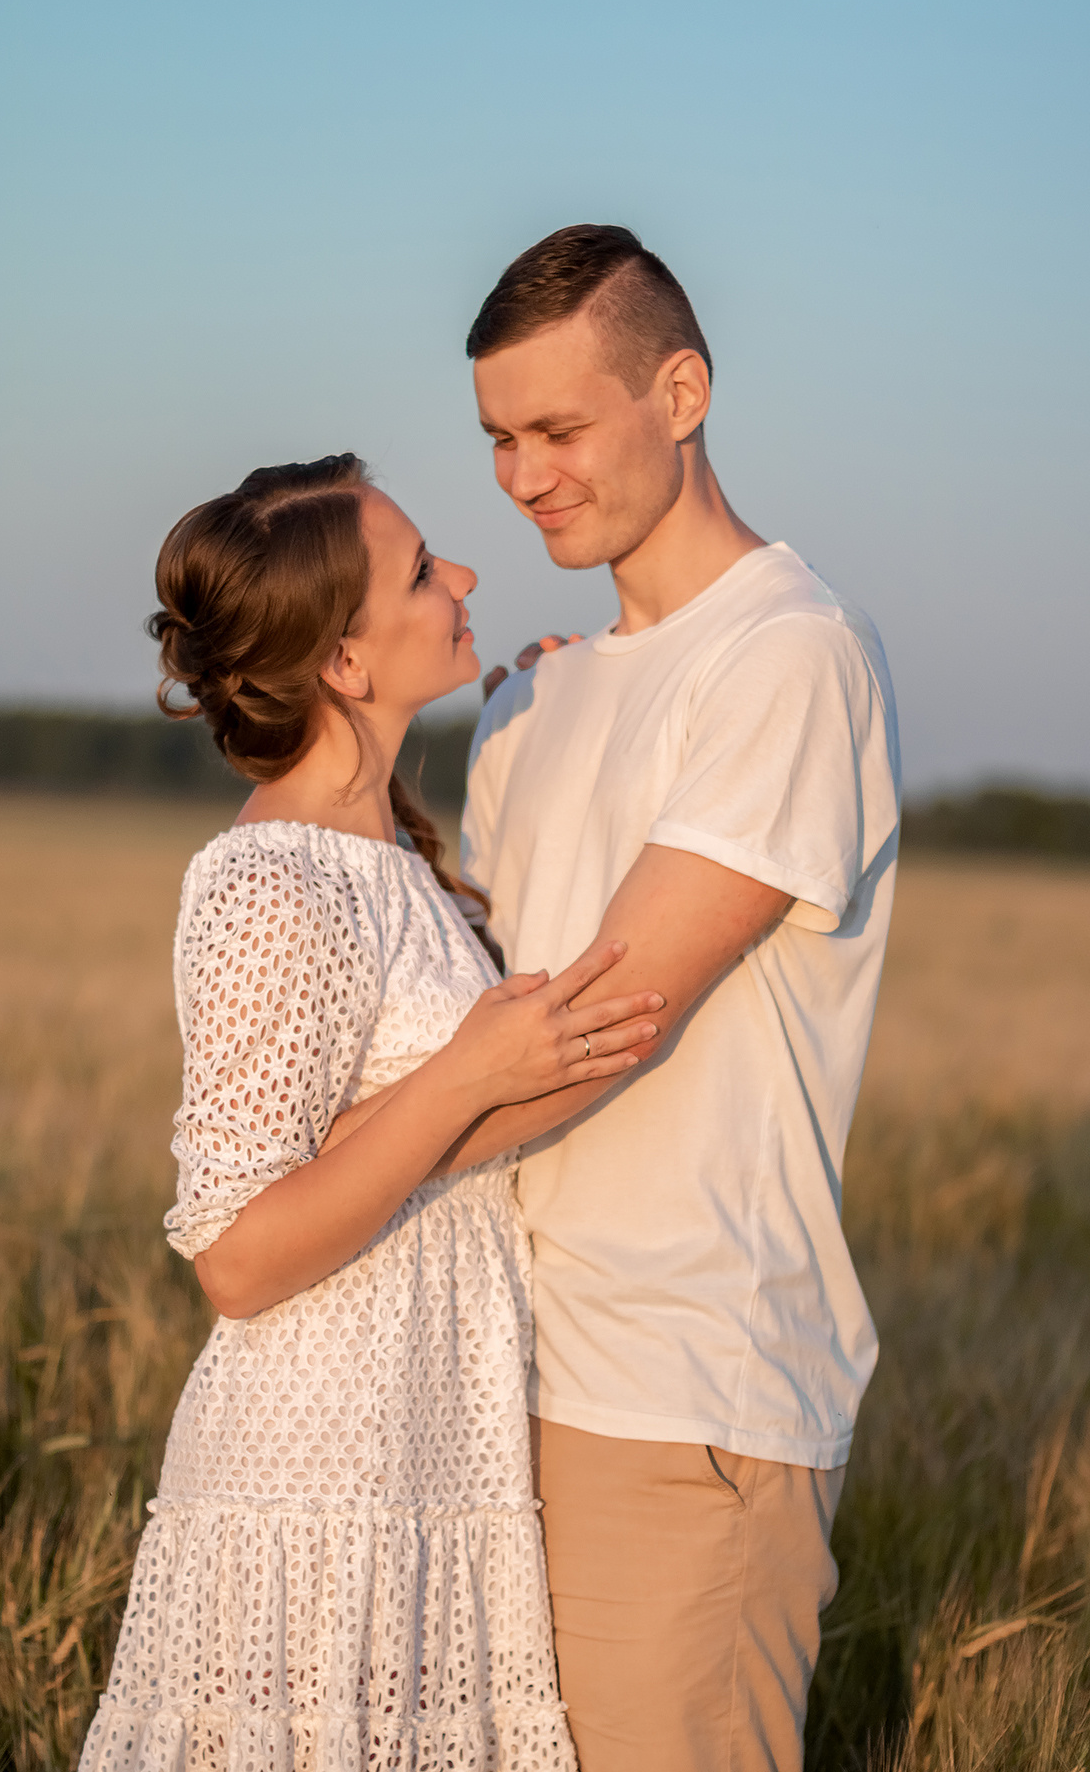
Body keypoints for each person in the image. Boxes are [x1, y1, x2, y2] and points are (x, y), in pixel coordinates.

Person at [79, 453, 668, 1772]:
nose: (461, 577)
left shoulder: (386, 852)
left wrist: (565, 722)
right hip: (319, 1471)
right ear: (345, 661)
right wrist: (462, 1070)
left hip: (430, 1456)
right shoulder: (266, 885)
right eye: (419, 571)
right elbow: (236, 1258)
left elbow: (441, 1118)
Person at [460, 226, 901, 1772]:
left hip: (679, 1389)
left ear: (685, 388)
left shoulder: (790, 655)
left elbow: (602, 1025)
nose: (524, 477)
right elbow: (464, 996)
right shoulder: (533, 694)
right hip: (487, 1371)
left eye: (562, 430)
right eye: (501, 439)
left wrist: (313, 1200)